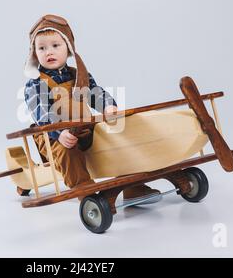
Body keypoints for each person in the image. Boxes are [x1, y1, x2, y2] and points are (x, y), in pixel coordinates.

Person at [23, 14, 158, 202]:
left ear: (68, 48)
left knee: (114, 137)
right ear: (34, 53)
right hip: (52, 135)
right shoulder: (36, 83)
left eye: (55, 45)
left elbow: (95, 94)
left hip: (84, 127)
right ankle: (84, 189)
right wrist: (59, 133)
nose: (48, 52)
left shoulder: (79, 75)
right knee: (66, 150)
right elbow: (42, 114)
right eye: (42, 48)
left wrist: (108, 107)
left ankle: (131, 185)